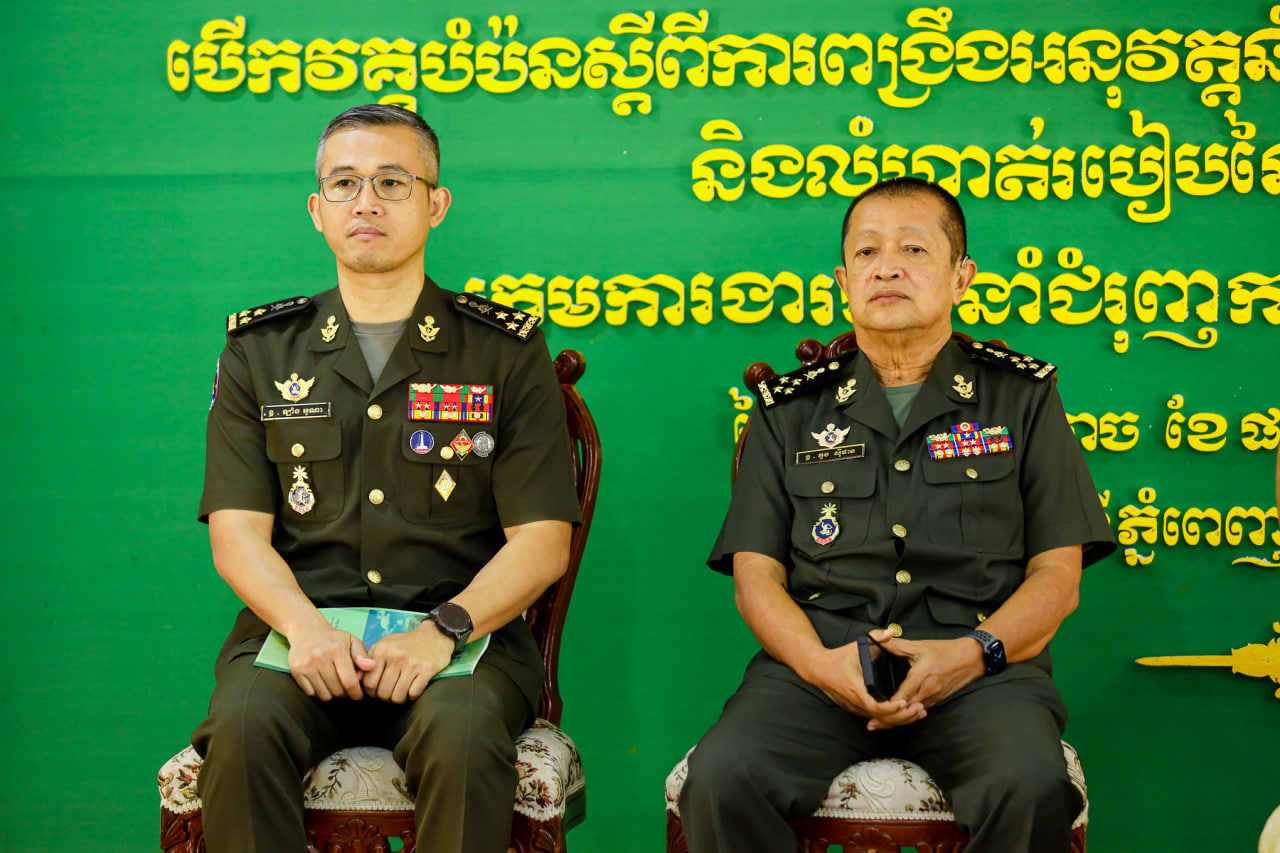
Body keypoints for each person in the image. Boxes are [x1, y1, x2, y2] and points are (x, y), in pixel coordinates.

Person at [678, 176, 1116, 852]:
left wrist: (971, 654)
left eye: (913, 249)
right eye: (866, 252)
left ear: (961, 276)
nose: (886, 267)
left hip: (981, 672)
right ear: (843, 280)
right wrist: (823, 667)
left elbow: (1058, 576)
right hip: (819, 669)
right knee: (721, 777)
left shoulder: (1022, 398)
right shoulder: (788, 410)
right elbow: (755, 577)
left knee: (1029, 782)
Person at [191, 104, 581, 853]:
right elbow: (237, 534)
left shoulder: (503, 349)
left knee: (463, 733)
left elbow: (541, 541)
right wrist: (306, 629)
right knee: (240, 728)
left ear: (436, 204)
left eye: (392, 182)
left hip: (459, 641)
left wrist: (443, 632)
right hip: (298, 637)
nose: (365, 201)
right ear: (317, 210)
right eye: (344, 183)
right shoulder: (260, 350)